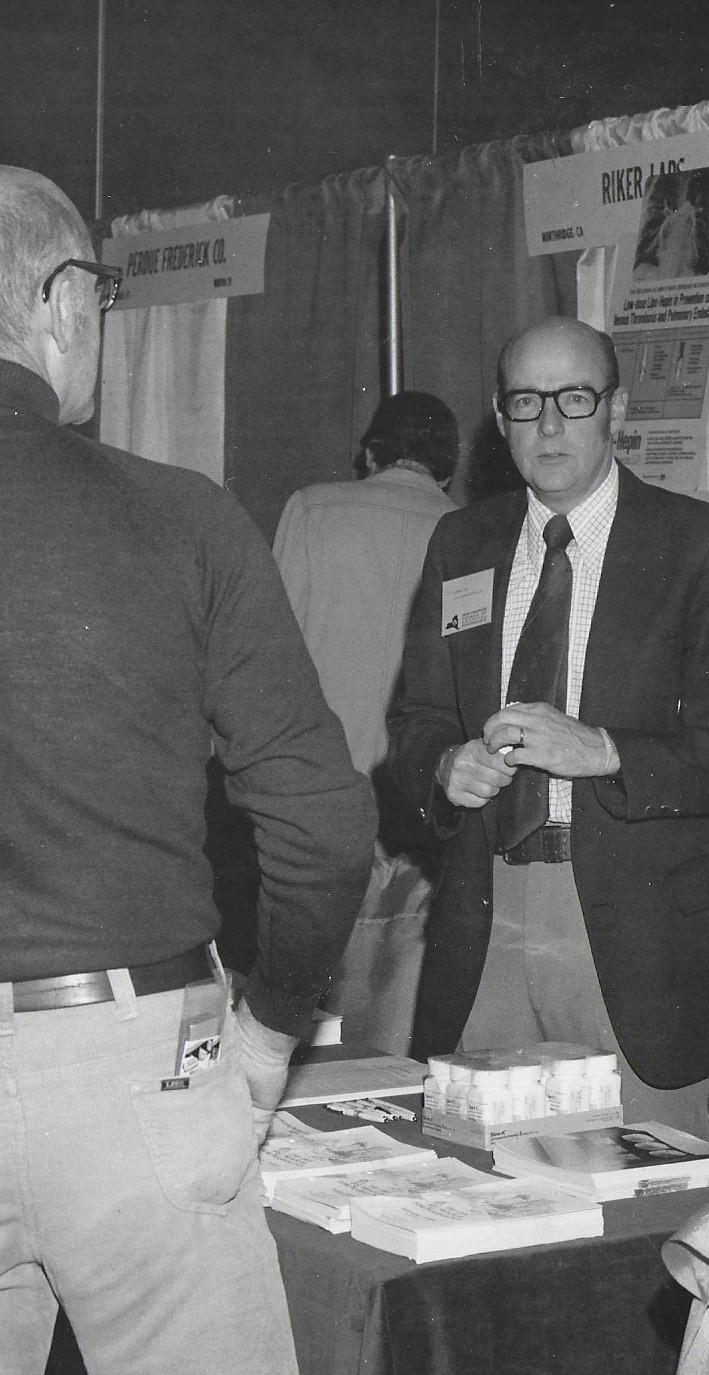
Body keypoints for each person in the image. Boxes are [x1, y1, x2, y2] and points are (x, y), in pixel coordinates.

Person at [0, 165, 374, 1375]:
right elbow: (322, 826)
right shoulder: (183, 519)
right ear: (60, 301)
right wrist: (271, 1033)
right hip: (136, 1074)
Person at [388, 316, 709, 1135]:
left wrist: (603, 751)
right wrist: (443, 764)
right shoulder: (460, 542)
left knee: (638, 1201)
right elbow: (416, 718)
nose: (548, 424)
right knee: (480, 1185)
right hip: (487, 911)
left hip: (637, 932)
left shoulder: (702, 545)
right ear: (499, 423)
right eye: (525, 402)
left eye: (573, 398)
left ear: (617, 408)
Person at [273, 392, 460, 1052]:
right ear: (447, 470)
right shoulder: (468, 529)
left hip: (321, 797)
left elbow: (275, 655)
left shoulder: (313, 509)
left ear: (371, 454)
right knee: (393, 995)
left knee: (306, 1007)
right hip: (423, 801)